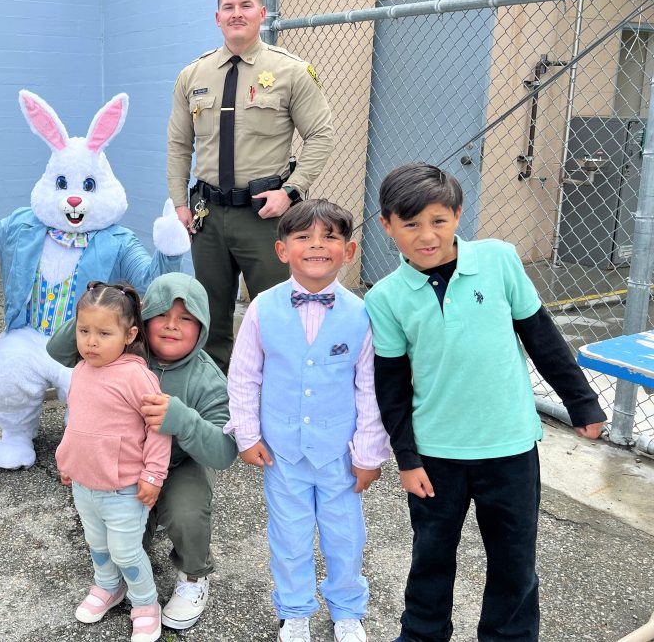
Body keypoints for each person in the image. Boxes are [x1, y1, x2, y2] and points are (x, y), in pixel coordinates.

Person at [363, 163, 606, 642]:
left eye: (438, 220)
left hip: (510, 448)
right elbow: (390, 388)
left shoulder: (498, 260)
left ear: (457, 214)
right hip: (436, 456)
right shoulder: (386, 298)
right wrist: (406, 459)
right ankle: (422, 633)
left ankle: (510, 636)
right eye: (409, 224)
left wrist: (583, 403)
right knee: (430, 556)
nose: (426, 236)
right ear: (386, 225)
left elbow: (542, 337)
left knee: (514, 559)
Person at [225, 200, 389, 642]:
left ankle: (347, 609)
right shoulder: (262, 308)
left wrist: (370, 453)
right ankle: (294, 610)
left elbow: (370, 390)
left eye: (330, 237)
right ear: (282, 250)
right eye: (303, 237)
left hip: (340, 453)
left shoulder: (361, 314)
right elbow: (243, 376)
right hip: (282, 452)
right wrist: (246, 434)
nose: (317, 245)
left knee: (345, 536)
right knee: (289, 536)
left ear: (349, 250)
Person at [47, 272, 236, 631]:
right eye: (161, 315)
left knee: (186, 513)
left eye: (186, 318)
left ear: (203, 326)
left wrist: (183, 419)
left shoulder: (207, 377)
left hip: (180, 463)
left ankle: (194, 575)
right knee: (123, 543)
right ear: (140, 323)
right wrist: (103, 305)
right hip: (125, 468)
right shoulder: (120, 346)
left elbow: (225, 452)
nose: (171, 326)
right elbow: (58, 350)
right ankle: (114, 582)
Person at [167, 0, 335, 372]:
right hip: (208, 217)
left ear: (262, 13)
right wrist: (179, 203)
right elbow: (178, 144)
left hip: (266, 215)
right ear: (217, 17)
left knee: (278, 314)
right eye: (229, 7)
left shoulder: (291, 71)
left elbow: (321, 136)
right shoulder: (193, 75)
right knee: (209, 319)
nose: (237, 14)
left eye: (246, 6)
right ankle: (215, 410)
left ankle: (279, 403)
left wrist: (291, 192)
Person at [54, 282, 172, 642]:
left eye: (104, 333)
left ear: (129, 334)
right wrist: (66, 459)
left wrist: (153, 475)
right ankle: (108, 587)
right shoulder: (79, 371)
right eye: (84, 330)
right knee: (97, 543)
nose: (91, 341)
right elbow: (77, 423)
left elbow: (160, 429)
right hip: (84, 485)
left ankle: (145, 603)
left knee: (125, 550)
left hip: (124, 489)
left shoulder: (137, 376)